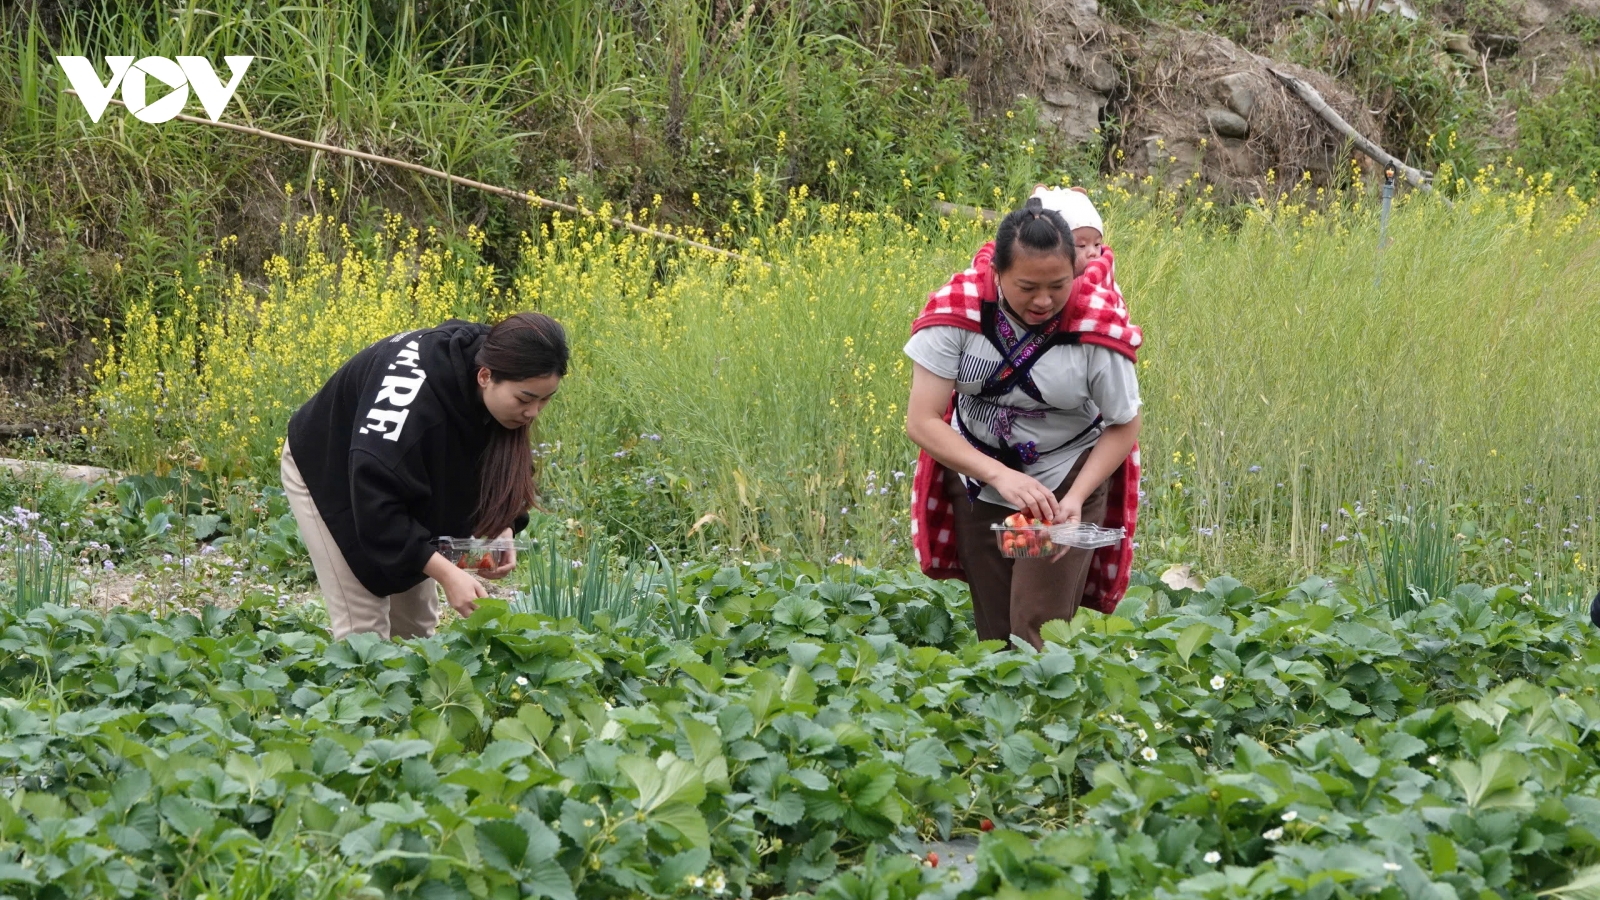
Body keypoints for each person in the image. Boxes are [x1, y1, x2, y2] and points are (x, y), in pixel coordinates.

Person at [904, 190, 1142, 649]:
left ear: (1075, 270)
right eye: (1028, 287)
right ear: (997, 272)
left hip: (1059, 485)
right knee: (995, 631)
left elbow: (1124, 423)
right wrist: (999, 476)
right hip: (980, 480)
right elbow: (923, 420)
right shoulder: (957, 314)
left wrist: (1076, 497)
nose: (1044, 301)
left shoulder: (1094, 326)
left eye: (1058, 285)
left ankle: (1047, 690)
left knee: (1035, 626)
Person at [280, 313, 568, 641]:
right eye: (525, 399)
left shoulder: (501, 359)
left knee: (414, 629)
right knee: (364, 631)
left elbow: (502, 464)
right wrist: (447, 574)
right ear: (485, 376)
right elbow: (377, 511)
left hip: (393, 475)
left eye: (545, 399)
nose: (533, 412)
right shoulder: (410, 412)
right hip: (331, 469)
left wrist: (503, 525)